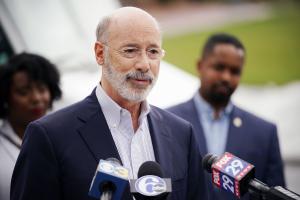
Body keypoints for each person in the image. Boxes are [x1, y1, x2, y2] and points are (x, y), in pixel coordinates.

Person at [11, 7, 208, 200]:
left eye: (153, 51)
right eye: (130, 50)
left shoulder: (181, 133)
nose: (144, 64)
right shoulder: (49, 136)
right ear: (99, 53)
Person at [167, 33, 285, 199]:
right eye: (219, 67)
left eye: (235, 71)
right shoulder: (166, 122)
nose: (226, 77)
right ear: (200, 66)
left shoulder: (265, 133)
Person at [0, 52, 62, 200]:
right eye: (23, 92)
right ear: (5, 98)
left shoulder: (66, 136)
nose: (36, 98)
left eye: (41, 89)